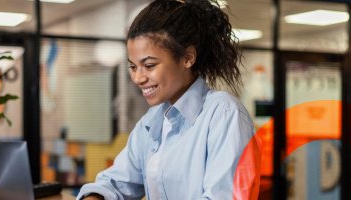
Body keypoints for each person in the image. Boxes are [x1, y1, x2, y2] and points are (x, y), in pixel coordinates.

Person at [77, 0, 261, 199]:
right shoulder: (152, 120)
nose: (138, 78)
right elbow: (116, 182)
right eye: (132, 67)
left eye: (149, 65)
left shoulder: (224, 115)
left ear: (188, 58)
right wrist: (95, 196)